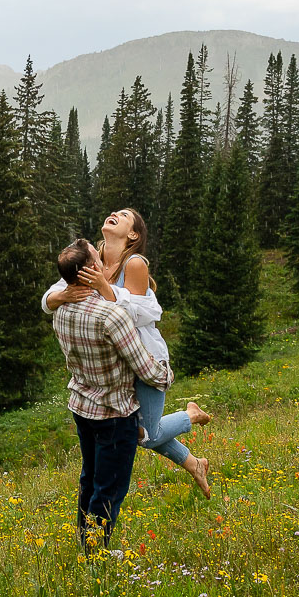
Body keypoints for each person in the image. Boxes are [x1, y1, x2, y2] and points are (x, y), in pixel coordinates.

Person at [44, 208, 211, 493]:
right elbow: (49, 300)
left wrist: (103, 288)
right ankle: (195, 464)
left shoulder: (134, 264)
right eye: (113, 212)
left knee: (145, 435)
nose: (113, 214)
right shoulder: (91, 258)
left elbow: (146, 314)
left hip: (145, 359)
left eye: (123, 215)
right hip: (115, 365)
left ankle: (189, 416)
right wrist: (64, 294)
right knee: (132, 433)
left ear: (133, 234)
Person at [50, 238, 172, 554]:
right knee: (109, 489)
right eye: (97, 258)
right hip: (115, 414)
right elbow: (144, 368)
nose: (104, 261)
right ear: (91, 270)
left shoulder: (60, 308)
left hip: (83, 406)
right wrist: (166, 375)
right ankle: (96, 555)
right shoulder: (110, 315)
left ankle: (85, 544)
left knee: (89, 480)